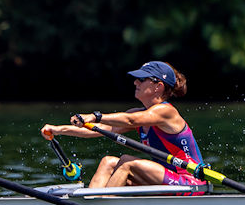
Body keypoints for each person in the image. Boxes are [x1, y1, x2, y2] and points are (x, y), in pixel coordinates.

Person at [40, 61, 207, 193]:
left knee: (127, 162)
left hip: (190, 181)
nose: (135, 82)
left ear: (158, 86)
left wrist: (96, 115)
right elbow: (97, 129)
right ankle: (90, 204)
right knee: (108, 162)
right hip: (168, 178)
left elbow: (130, 120)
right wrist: (57, 130)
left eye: (142, 79)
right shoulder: (140, 114)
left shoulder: (167, 112)